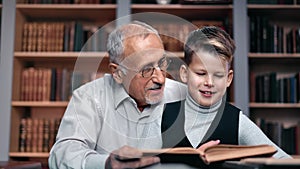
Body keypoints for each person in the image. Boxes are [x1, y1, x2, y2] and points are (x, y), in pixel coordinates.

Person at [48, 21, 191, 169]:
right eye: (146, 69)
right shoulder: (88, 97)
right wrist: (106, 164)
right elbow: (61, 155)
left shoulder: (183, 95)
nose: (160, 79)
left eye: (162, 63)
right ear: (117, 73)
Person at [161, 26, 291, 159]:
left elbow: (284, 161)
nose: (209, 82)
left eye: (218, 75)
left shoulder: (237, 121)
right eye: (201, 73)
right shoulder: (161, 115)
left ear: (228, 79)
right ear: (184, 74)